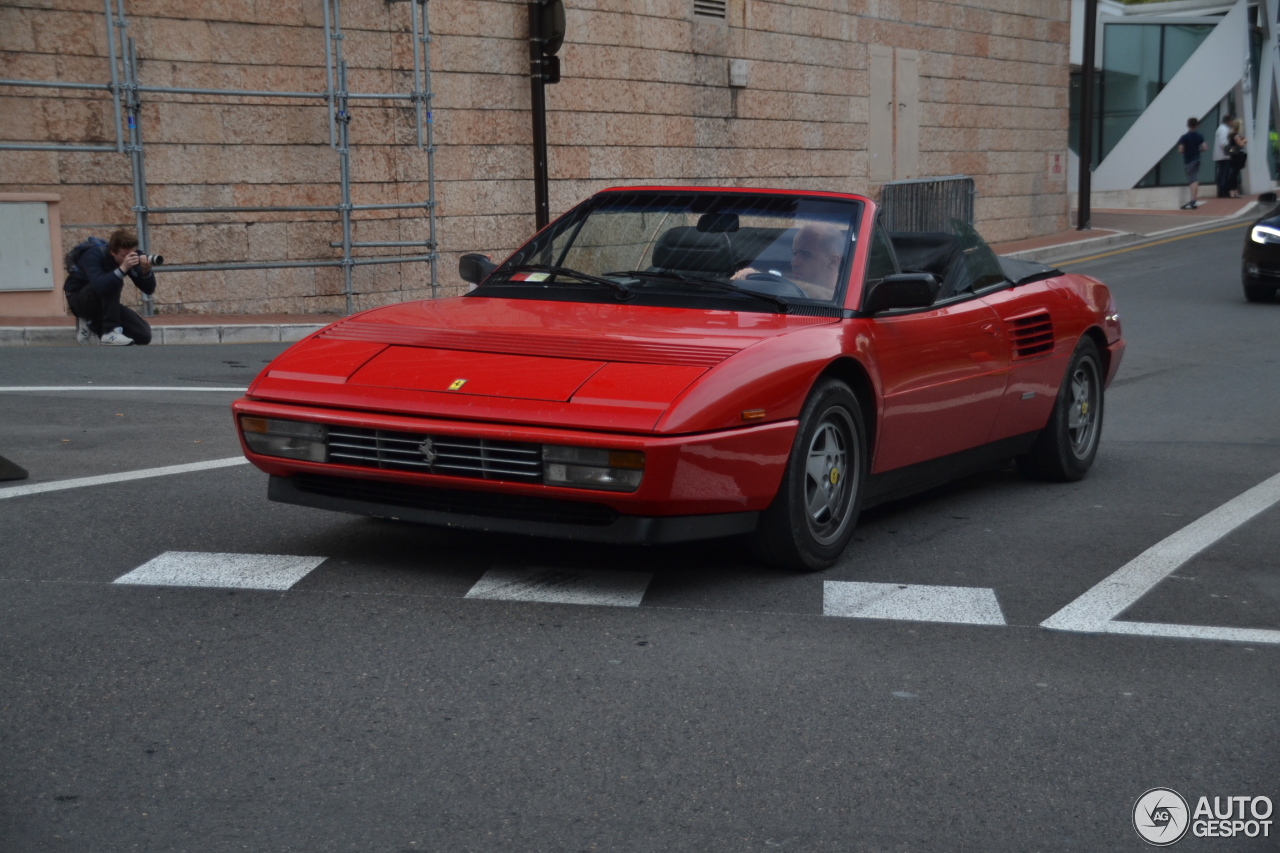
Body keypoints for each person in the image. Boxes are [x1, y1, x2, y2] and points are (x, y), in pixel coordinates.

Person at [64, 229, 155, 346]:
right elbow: (100, 286)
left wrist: (145, 272)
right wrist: (122, 269)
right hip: (79, 299)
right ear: (113, 252)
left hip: (105, 302)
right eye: (124, 255)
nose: (128, 258)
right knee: (114, 280)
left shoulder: (130, 257)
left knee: (143, 335)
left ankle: (91, 322)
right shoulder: (93, 255)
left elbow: (148, 290)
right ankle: (110, 331)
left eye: (131, 254)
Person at [735, 221, 846, 300]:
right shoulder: (784, 292)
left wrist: (770, 283)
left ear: (833, 261)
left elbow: (830, 296)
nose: (794, 262)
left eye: (806, 255)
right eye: (794, 253)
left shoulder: (848, 294)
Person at [1177, 117, 1207, 210]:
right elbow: (1205, 147)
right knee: (1195, 179)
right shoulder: (1199, 136)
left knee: (1192, 180)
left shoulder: (1184, 137)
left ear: (1188, 125)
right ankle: (1193, 201)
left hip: (1189, 160)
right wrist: (1198, 150)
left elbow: (1180, 150)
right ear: (1196, 125)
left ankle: (1192, 201)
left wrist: (1186, 150)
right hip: (1197, 159)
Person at [1227, 118, 1247, 198]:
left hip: (1234, 156)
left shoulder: (1231, 135)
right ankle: (1233, 190)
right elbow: (1240, 144)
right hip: (1237, 156)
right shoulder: (1235, 136)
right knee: (1234, 174)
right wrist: (1244, 141)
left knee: (1234, 173)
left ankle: (1234, 191)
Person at [1214, 114, 1234, 198]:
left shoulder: (1223, 129)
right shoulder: (1223, 129)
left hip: (1223, 155)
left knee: (1223, 173)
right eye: (1231, 121)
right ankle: (1222, 191)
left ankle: (1223, 190)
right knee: (1223, 174)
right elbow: (1223, 143)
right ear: (1228, 121)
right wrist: (1232, 149)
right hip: (1223, 156)